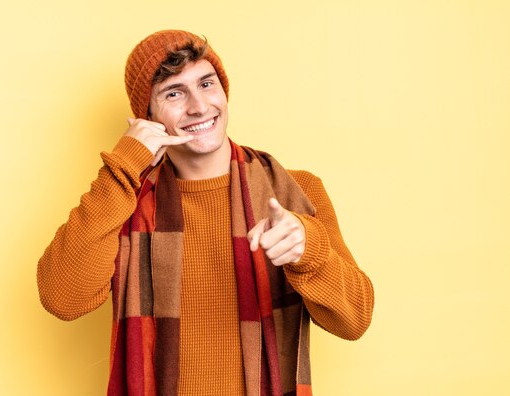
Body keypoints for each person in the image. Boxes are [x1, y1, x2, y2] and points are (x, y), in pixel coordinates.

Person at [37, 29, 374, 396]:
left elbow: (355, 320)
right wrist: (123, 167)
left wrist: (309, 251)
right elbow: (63, 298)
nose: (199, 106)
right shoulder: (125, 200)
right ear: (147, 116)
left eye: (206, 84)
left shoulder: (295, 192)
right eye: (174, 93)